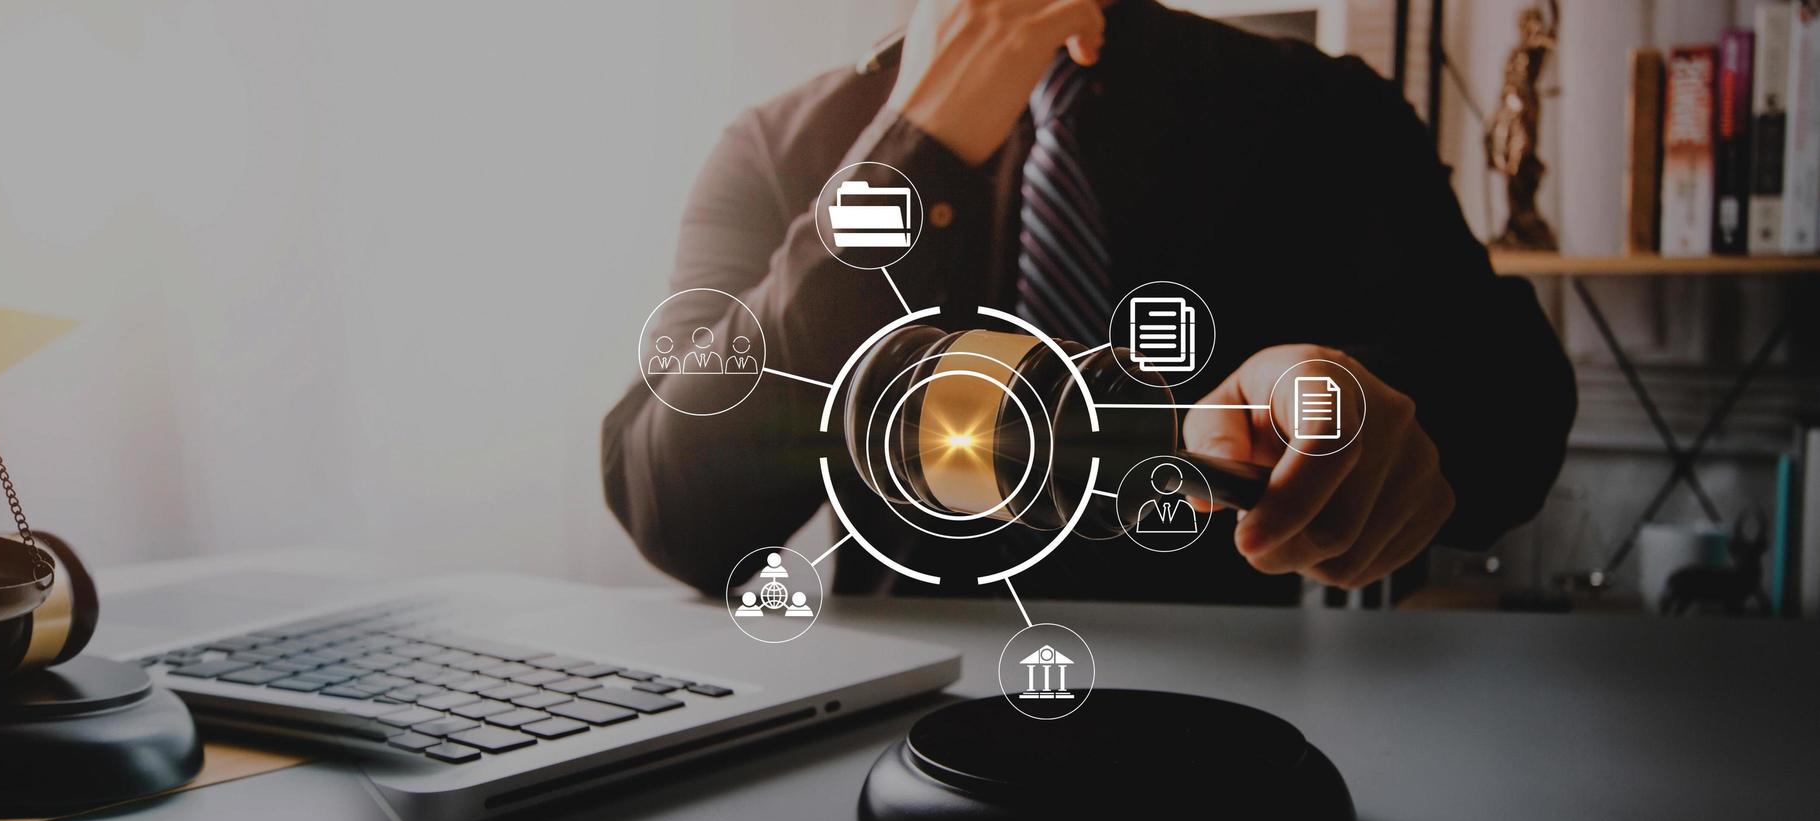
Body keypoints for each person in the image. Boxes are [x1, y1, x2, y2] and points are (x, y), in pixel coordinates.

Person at [603, 0, 1574, 605]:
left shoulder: (1317, 112)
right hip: (881, 722)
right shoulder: (775, 152)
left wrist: (1359, 400)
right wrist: (915, 148)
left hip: (1223, 730)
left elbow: (1514, 424)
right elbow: (672, 507)